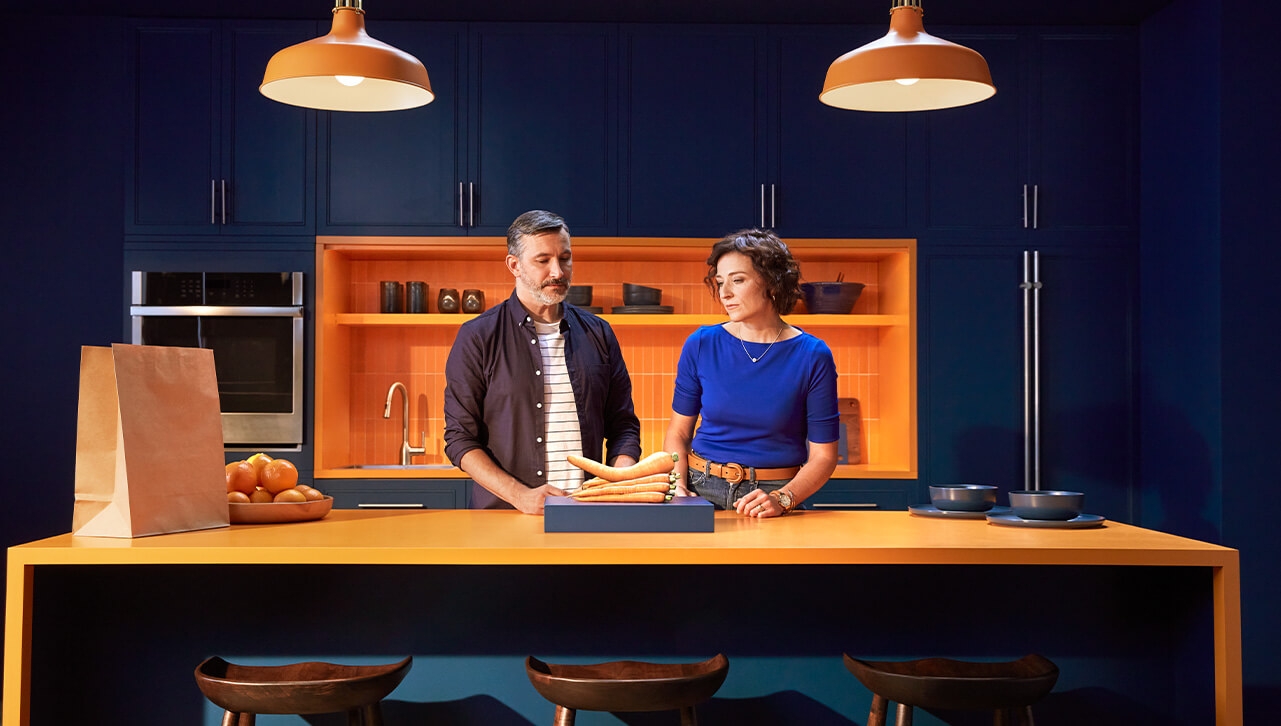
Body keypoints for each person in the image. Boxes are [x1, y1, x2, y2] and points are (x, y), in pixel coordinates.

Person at [443, 210, 642, 514]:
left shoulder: (599, 333)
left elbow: (623, 425)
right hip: (503, 517)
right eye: (543, 260)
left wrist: (621, 479)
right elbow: (460, 440)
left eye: (565, 258)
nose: (558, 271)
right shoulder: (477, 337)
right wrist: (520, 495)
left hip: (586, 514)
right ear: (514, 265)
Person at [663, 229, 839, 518]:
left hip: (775, 494)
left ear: (772, 283)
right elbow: (678, 433)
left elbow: (824, 457)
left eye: (738, 280)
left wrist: (783, 499)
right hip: (700, 489)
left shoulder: (812, 355)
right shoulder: (701, 344)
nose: (725, 293)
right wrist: (678, 486)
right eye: (720, 282)